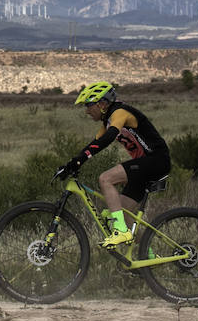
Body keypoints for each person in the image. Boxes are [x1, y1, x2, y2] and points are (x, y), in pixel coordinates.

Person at [54, 81, 171, 249]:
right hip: (146, 165)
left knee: (105, 179)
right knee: (122, 212)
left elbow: (108, 138)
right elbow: (94, 144)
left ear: (102, 103)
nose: (87, 111)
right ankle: (146, 255)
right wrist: (72, 163)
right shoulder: (107, 120)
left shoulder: (120, 112)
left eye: (89, 105)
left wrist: (79, 161)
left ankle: (121, 231)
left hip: (156, 160)